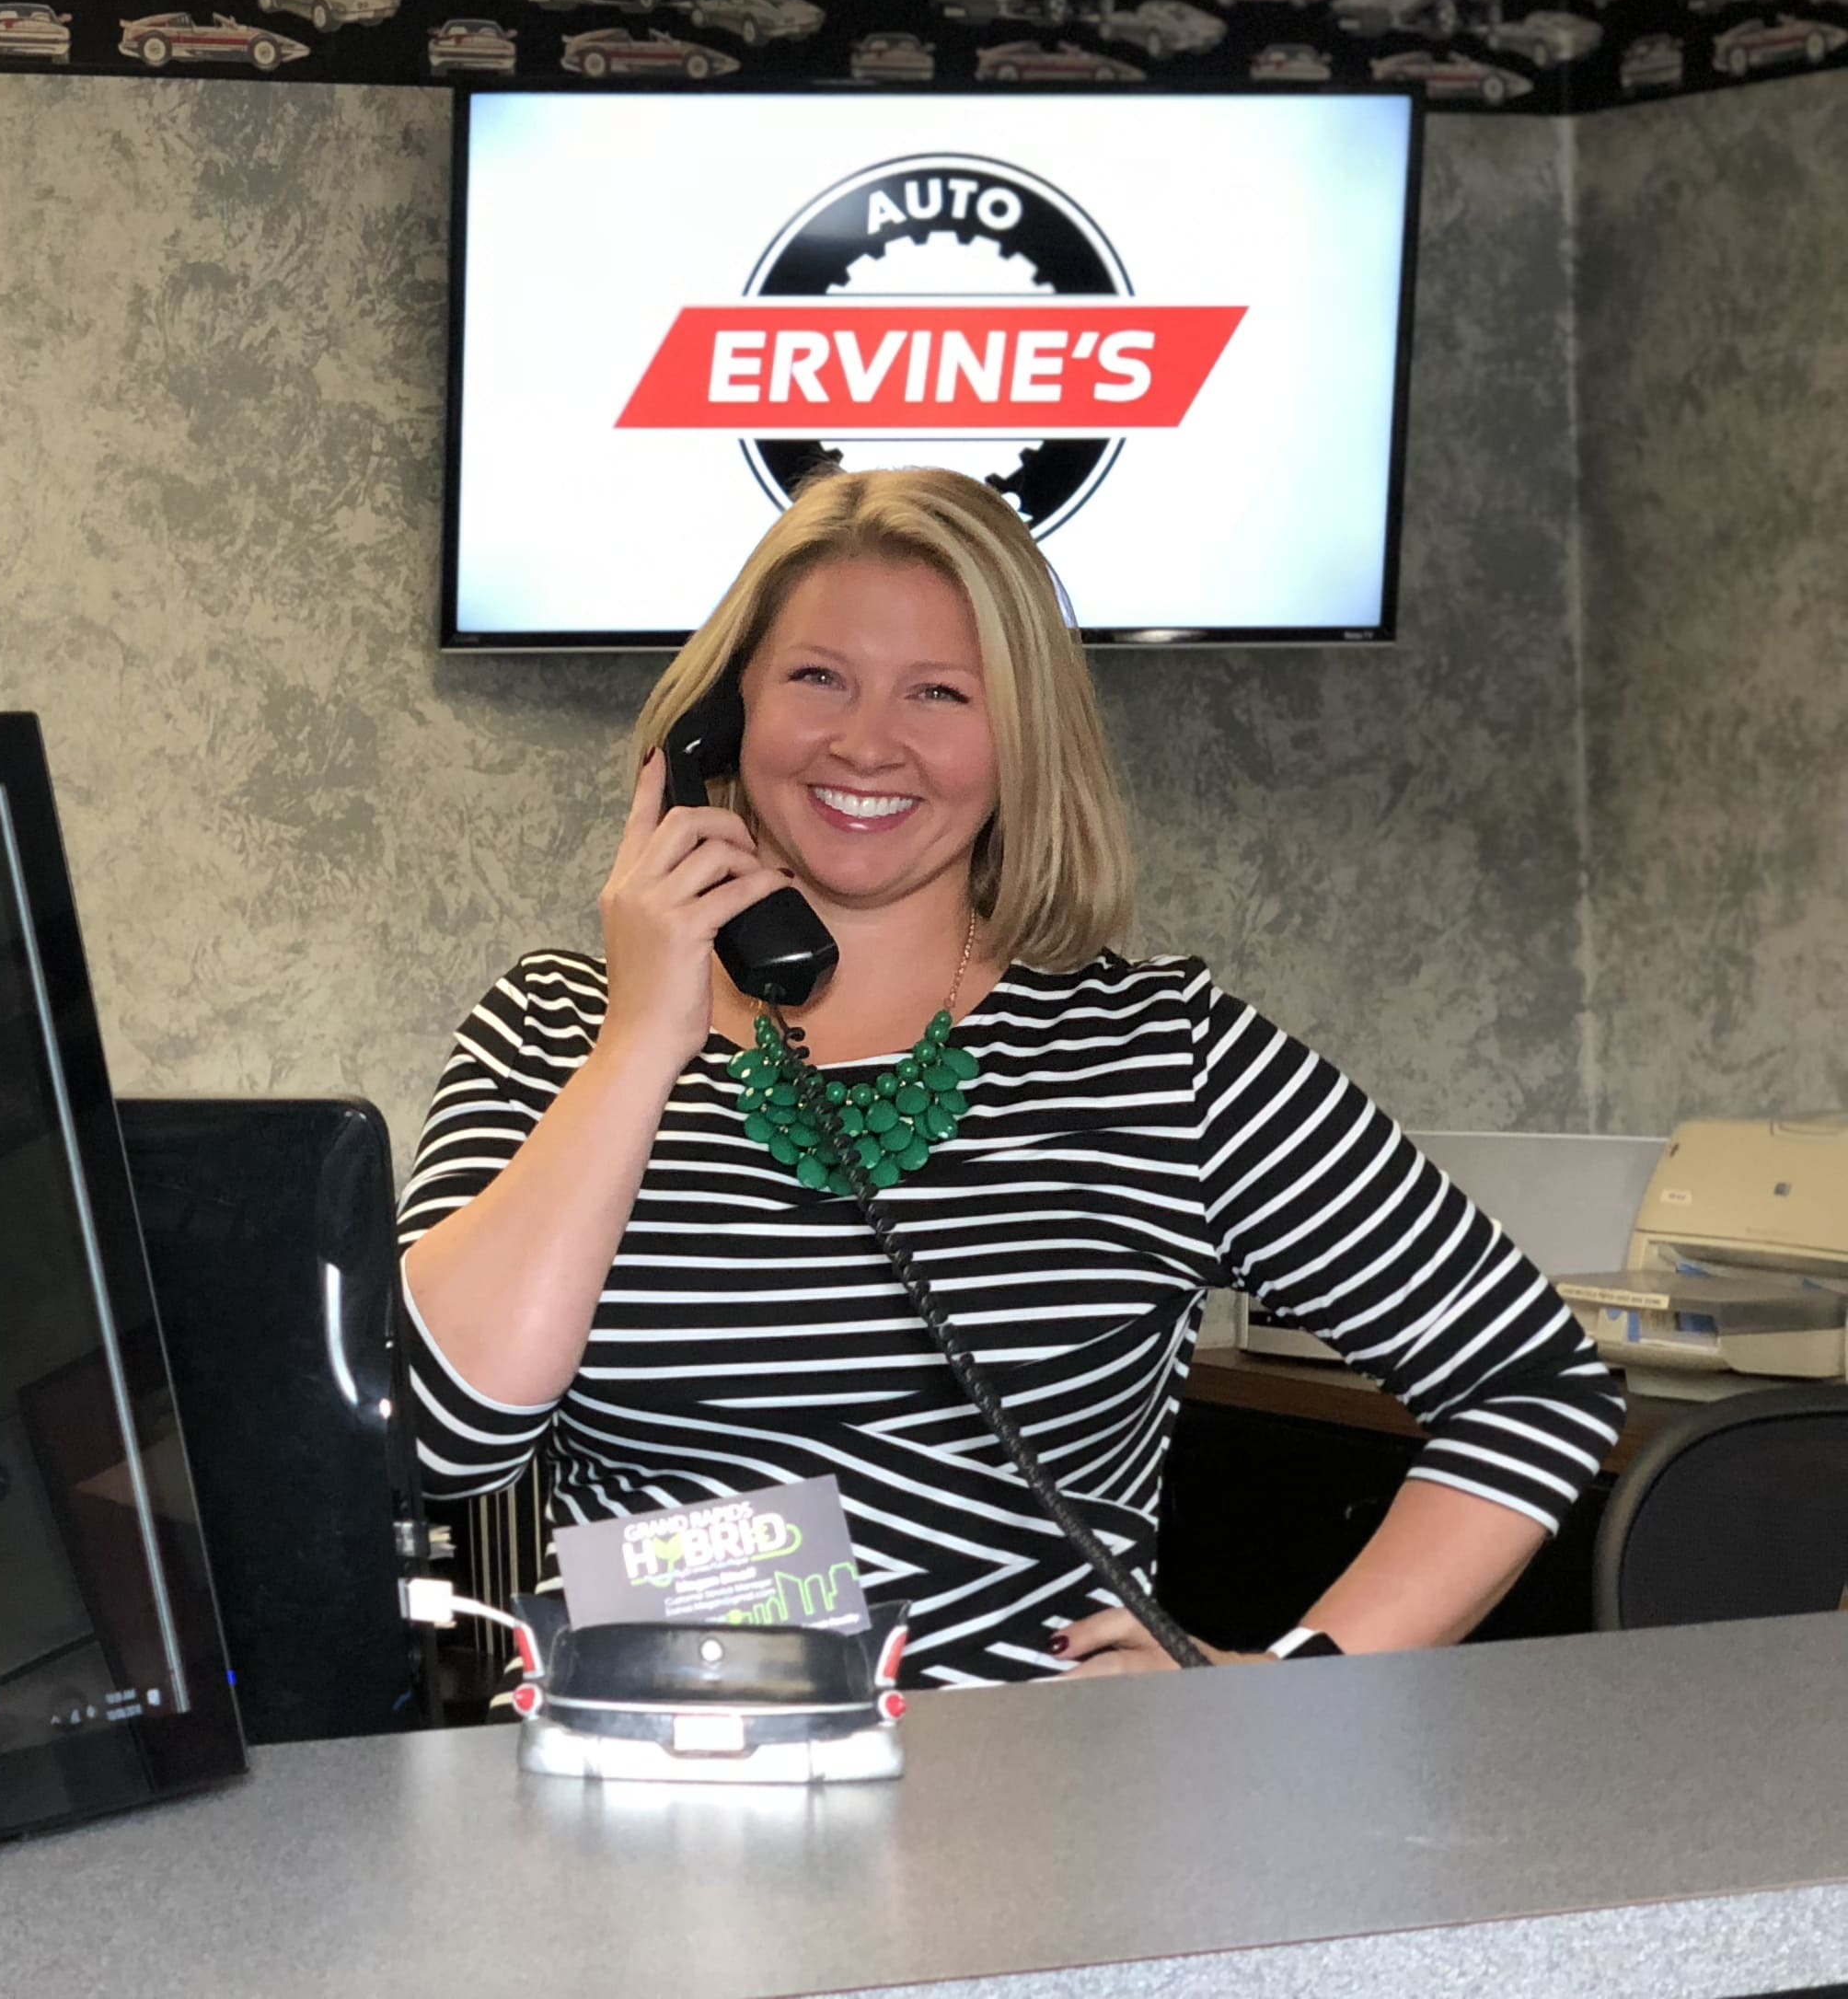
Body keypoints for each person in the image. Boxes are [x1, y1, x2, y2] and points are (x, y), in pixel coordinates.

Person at [398, 465, 1623, 1689]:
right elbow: (435, 1436)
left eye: (940, 692)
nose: (867, 741)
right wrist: (641, 1039)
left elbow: (1531, 1378)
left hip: (1032, 1830)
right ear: (718, 722)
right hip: (642, 1812)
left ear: (1021, 739)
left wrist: (1293, 1683)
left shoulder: (1159, 1051)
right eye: (818, 677)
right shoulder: (549, 1032)